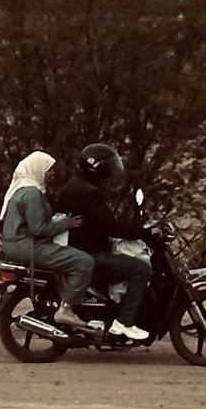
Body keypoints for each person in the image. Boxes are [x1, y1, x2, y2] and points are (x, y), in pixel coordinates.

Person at [54, 142, 152, 340]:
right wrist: (144, 233)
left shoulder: (77, 184)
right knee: (140, 268)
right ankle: (124, 322)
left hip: (78, 247)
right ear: (97, 167)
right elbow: (110, 226)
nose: (111, 171)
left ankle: (109, 311)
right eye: (108, 166)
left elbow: (100, 222)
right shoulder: (88, 192)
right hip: (88, 252)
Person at [0, 150, 95, 320]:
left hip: (15, 246)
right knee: (84, 262)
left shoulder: (20, 190)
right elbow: (39, 229)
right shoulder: (32, 193)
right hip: (28, 246)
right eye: (48, 170)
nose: (51, 174)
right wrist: (67, 223)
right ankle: (66, 309)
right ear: (37, 168)